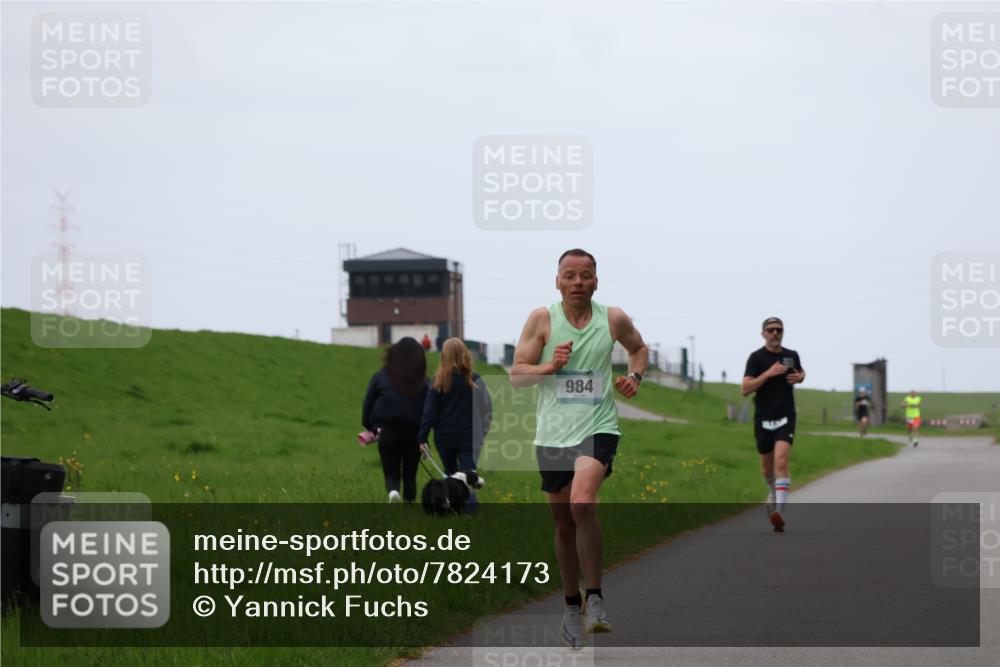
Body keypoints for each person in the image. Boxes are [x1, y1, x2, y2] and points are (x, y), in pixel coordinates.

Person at [511, 249, 648, 649]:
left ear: (596, 282)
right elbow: (518, 376)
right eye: (569, 275)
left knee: (582, 503)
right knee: (562, 524)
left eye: (585, 275)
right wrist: (548, 368)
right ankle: (571, 604)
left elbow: (639, 348)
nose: (577, 282)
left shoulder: (613, 318)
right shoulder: (542, 319)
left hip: (598, 427)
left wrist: (634, 375)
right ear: (557, 281)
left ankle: (596, 598)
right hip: (553, 434)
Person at [741, 316, 805, 533]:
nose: (775, 333)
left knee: (781, 461)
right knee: (767, 468)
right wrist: (768, 374)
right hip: (763, 418)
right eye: (771, 330)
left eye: (779, 329)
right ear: (763, 334)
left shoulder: (791, 355)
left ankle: (779, 512)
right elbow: (745, 389)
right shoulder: (756, 358)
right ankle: (771, 491)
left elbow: (800, 372)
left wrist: (800, 377)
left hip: (786, 416)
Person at [417, 338, 493, 514]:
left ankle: (452, 512)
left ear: (444, 356)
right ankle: (470, 513)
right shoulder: (475, 380)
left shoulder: (438, 381)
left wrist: (422, 438)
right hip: (470, 438)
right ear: (465, 353)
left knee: (451, 477)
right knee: (470, 477)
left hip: (444, 439)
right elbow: (487, 411)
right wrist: (482, 433)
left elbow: (429, 413)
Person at [361, 337, 429, 503]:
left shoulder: (380, 376)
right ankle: (409, 503)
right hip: (414, 433)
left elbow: (367, 404)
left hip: (387, 431)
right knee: (410, 474)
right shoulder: (425, 382)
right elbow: (429, 412)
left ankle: (392, 492)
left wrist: (371, 427)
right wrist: (425, 436)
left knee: (391, 471)